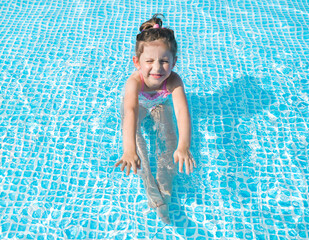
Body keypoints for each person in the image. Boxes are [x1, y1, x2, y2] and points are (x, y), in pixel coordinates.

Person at [115, 14, 196, 224]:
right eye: (149, 61)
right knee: (135, 137)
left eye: (164, 61)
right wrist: (128, 149)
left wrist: (184, 146)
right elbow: (131, 110)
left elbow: (182, 112)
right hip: (139, 107)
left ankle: (165, 190)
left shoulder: (174, 80)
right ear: (137, 62)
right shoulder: (134, 82)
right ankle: (149, 185)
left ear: (174, 62)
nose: (157, 68)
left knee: (169, 139)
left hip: (159, 106)